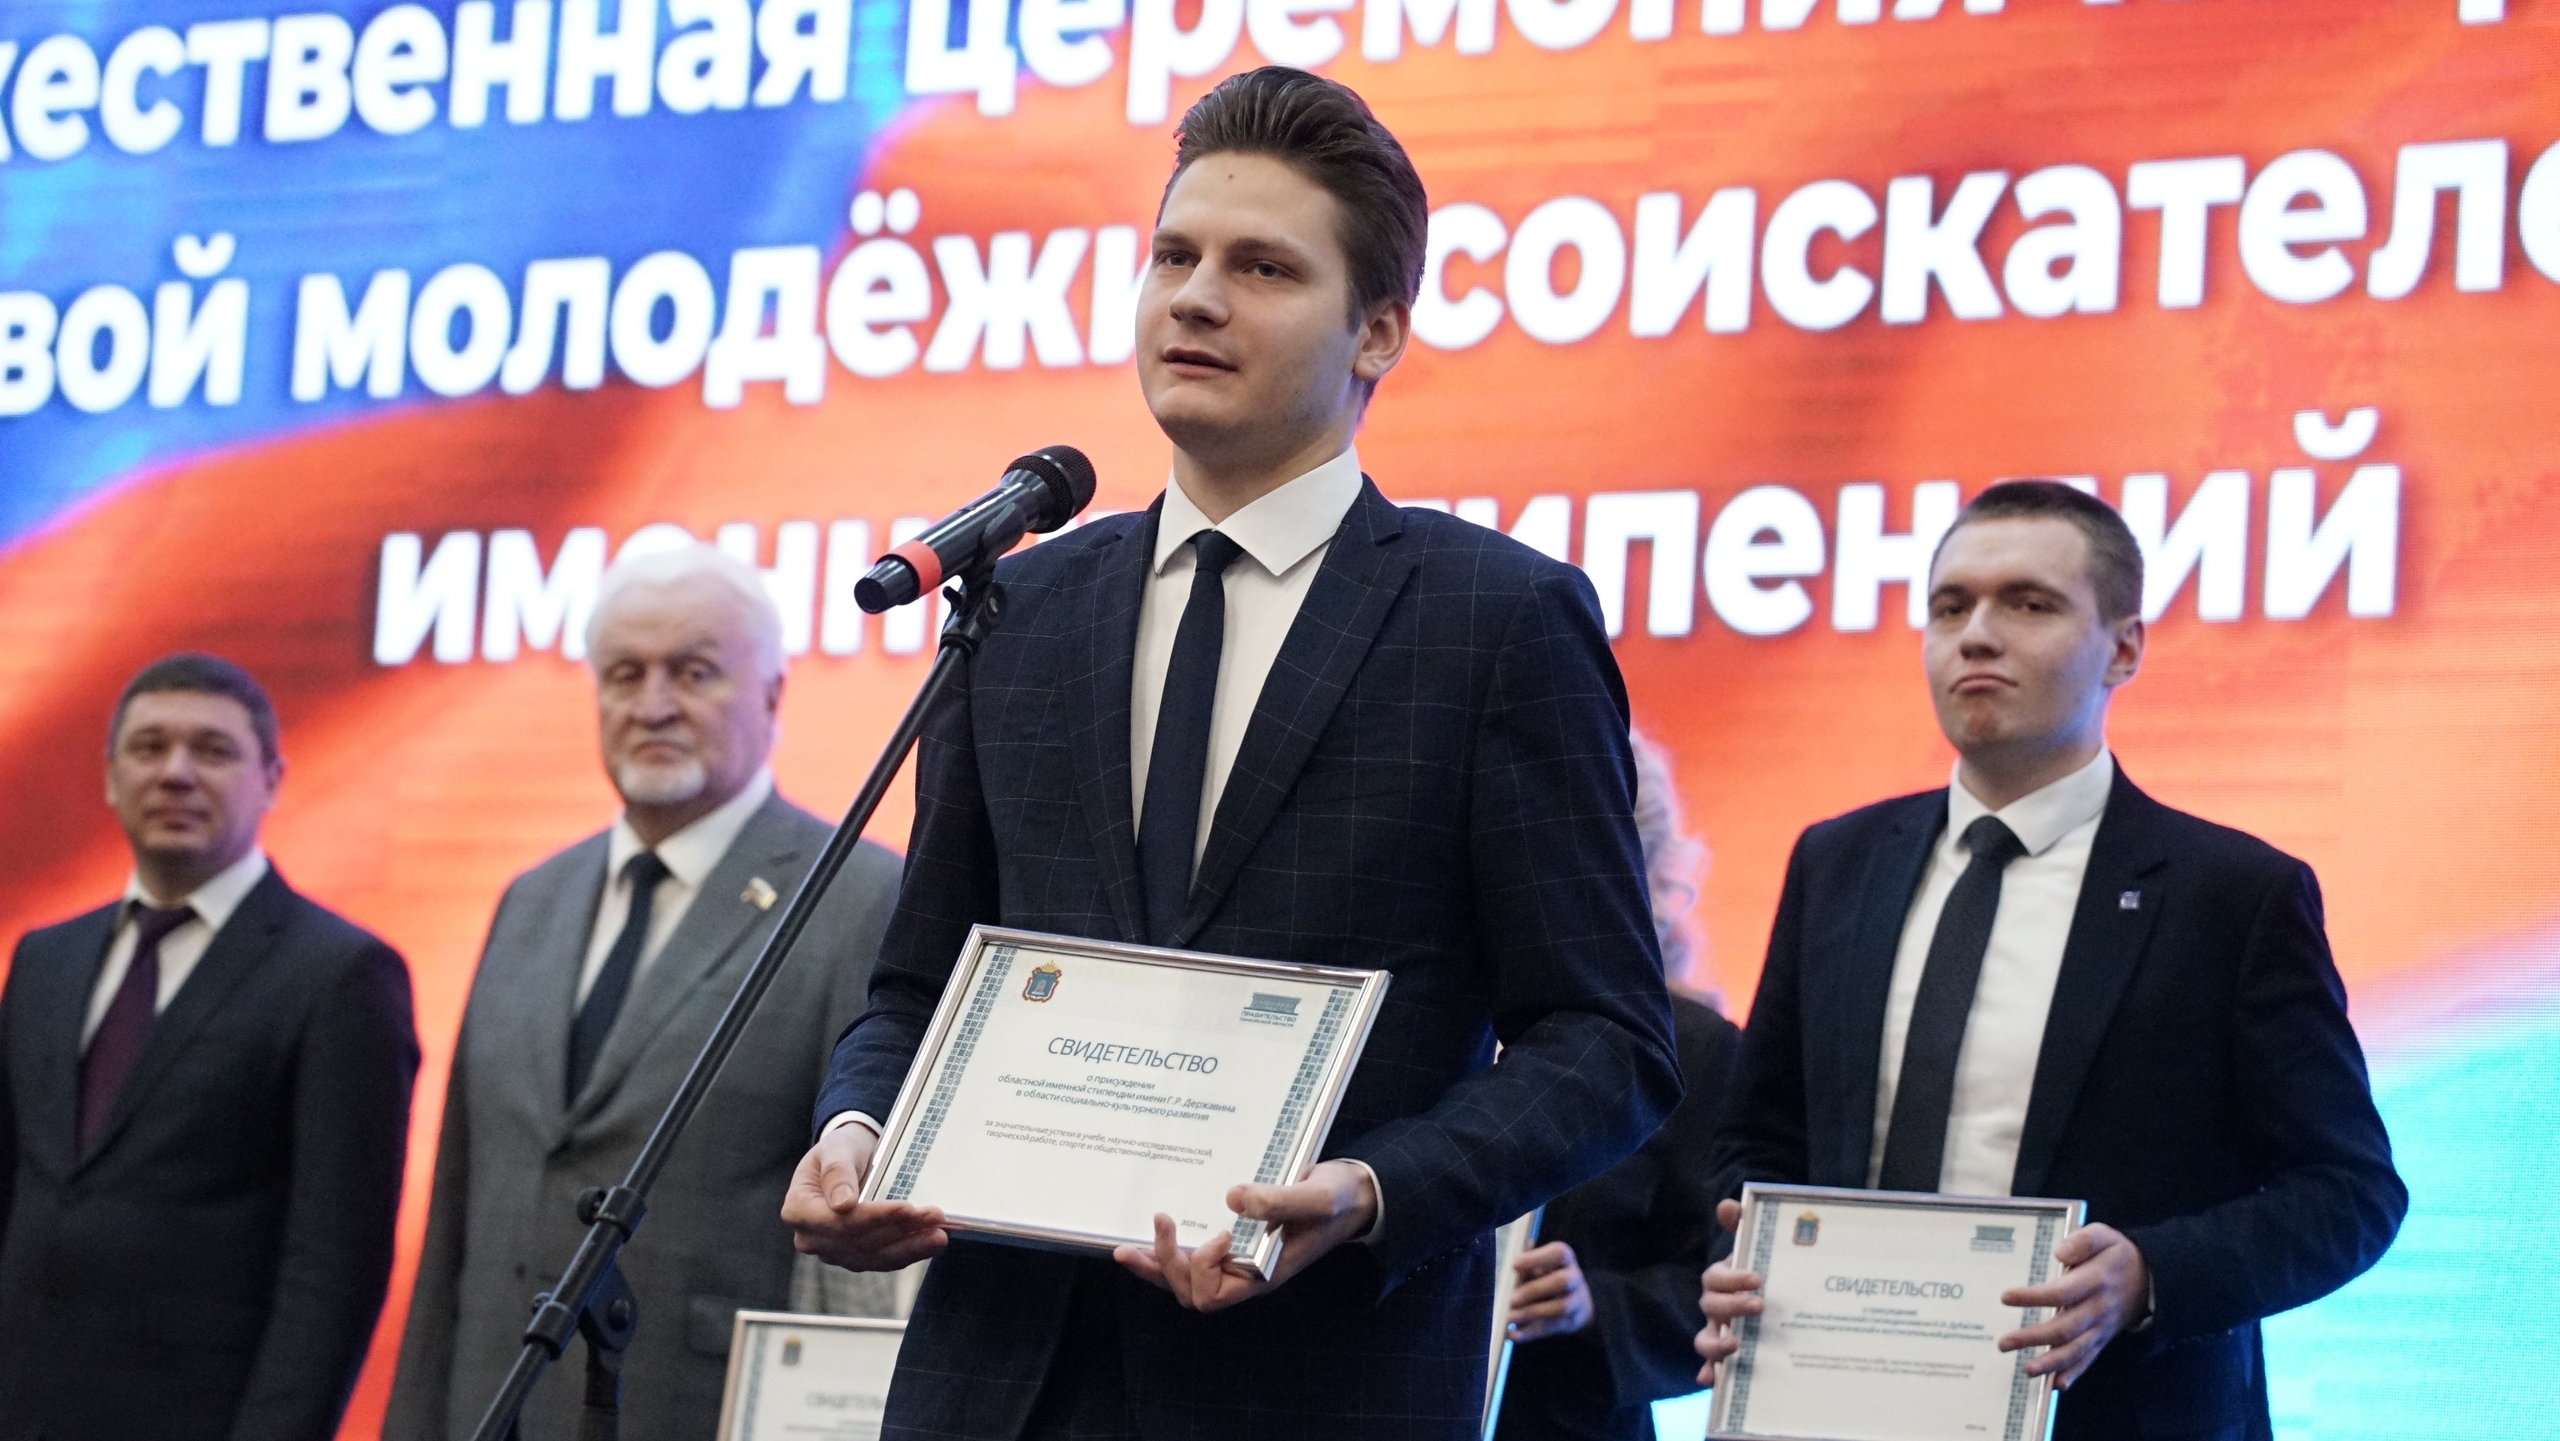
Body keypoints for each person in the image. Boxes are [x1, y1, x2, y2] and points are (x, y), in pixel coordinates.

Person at [782, 66, 1681, 1441]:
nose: (1195, 298)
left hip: (1318, 1380)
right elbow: (918, 986)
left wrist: (1371, 1191)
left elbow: (1606, 1043)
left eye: (1262, 267)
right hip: (1002, 1383)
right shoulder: (1021, 607)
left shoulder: (1493, 621)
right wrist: (858, 1130)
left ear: (1377, 331)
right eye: (1174, 257)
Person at [1695, 482, 2405, 1441]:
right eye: (1950, 607)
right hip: (1838, 1407)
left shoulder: (2232, 895)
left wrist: (2150, 1274)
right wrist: (1742, 1257)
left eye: (2029, 604)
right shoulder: (1838, 863)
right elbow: (1758, 1137)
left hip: (2122, 1414)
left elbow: (2349, 1192)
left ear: (2124, 648)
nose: (1977, 636)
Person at [384, 545, 902, 1441]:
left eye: (693, 672)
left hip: (695, 1412)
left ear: (772, 694)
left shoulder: (856, 893)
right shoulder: (531, 898)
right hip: (489, 1406)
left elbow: (861, 1234)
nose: (654, 704)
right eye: (625, 674)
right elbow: (459, 1212)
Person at [0, 653, 419, 1441]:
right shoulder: (43, 959)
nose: (176, 772)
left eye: (213, 749)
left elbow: (334, 1267)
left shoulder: (340, 975)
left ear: (272, 779)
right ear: (110, 777)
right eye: (149, 747)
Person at [1494, 732, 1740, 1441]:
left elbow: (1723, 1288)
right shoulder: (1424, 1020)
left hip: (1569, 1418)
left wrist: (1591, 1303)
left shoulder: (1694, 1048)